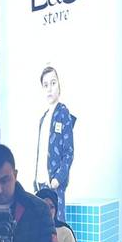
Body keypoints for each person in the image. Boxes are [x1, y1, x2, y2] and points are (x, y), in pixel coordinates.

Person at [33, 66, 76, 221]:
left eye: (53, 83)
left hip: (54, 183)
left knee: (57, 224)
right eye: (45, 85)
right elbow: (41, 152)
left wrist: (58, 178)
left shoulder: (63, 113)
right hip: (41, 183)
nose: (49, 88)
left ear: (59, 85)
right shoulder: (43, 118)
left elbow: (69, 151)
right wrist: (35, 180)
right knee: (41, 225)